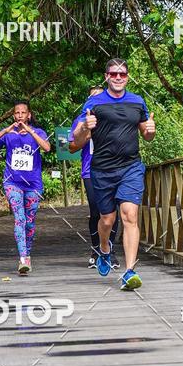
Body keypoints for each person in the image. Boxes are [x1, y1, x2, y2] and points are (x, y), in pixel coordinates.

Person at [73, 58, 155, 290]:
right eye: (113, 74)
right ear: (106, 76)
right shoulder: (94, 103)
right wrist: (83, 128)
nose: (118, 78)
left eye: (122, 74)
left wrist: (150, 130)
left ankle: (129, 271)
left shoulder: (137, 102)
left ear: (127, 77)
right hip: (102, 169)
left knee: (129, 215)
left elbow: (147, 136)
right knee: (107, 219)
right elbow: (77, 142)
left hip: (130, 167)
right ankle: (104, 249)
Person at [0, 101, 51, 275]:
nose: (20, 115)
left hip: (33, 184)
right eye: (17, 113)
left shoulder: (38, 132)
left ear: (29, 115)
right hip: (12, 182)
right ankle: (23, 258)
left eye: (23, 112)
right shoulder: (9, 134)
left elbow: (47, 147)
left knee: (29, 222)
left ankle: (27, 254)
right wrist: (5, 130)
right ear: (14, 115)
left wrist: (30, 131)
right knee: (19, 219)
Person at [68, 86, 120, 269]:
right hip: (91, 171)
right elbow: (72, 147)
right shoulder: (81, 120)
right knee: (97, 210)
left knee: (114, 212)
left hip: (114, 169)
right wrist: (87, 133)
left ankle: (110, 251)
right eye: (93, 97)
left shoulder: (114, 117)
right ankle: (96, 249)